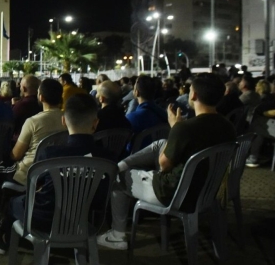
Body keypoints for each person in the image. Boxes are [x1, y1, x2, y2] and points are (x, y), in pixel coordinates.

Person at [97, 73, 235, 250]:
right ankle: (120, 165)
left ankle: (117, 235)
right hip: (207, 188)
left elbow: (164, 164)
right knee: (160, 143)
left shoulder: (186, 128)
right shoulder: (228, 126)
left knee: (117, 178)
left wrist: (175, 128)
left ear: (193, 95)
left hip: (173, 192)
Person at [0, 93, 112, 254]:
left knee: (13, 203)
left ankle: (6, 239)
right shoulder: (107, 158)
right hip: (86, 220)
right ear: (95, 123)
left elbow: (34, 184)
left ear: (64, 121)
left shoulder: (50, 154)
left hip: (44, 218)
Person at [10, 78, 66, 184]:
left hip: (29, 175)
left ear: (41, 97)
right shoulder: (69, 120)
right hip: (55, 175)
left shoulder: (33, 122)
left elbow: (16, 155)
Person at [126, 75, 168, 146]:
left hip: (137, 152)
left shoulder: (132, 118)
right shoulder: (164, 115)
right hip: (160, 151)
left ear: (137, 92)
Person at [11, 75, 42, 139]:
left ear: (24, 89)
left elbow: (12, 122)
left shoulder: (21, 105)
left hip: (22, 139)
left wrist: (14, 106)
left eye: (20, 86)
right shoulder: (43, 103)